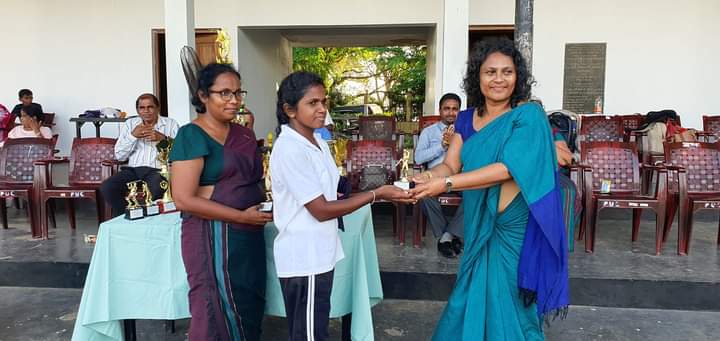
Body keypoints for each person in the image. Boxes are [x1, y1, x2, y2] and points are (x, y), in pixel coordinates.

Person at [411, 38, 569, 340]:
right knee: (467, 297)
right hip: (477, 222)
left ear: (518, 77)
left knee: (512, 303)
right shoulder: (466, 119)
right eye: (490, 72)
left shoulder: (528, 116)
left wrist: (445, 183)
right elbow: (450, 164)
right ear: (477, 76)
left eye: (507, 72)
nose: (498, 79)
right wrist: (429, 176)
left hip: (513, 228)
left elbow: (508, 169)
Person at [270, 71, 411, 341]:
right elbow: (321, 209)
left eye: (324, 101)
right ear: (289, 109)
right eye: (313, 103)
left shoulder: (318, 142)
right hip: (304, 258)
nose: (322, 109)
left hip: (321, 252)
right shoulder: (290, 149)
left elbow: (334, 192)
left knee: (317, 328)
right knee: (309, 335)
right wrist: (377, 194)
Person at [170, 63, 273, 341]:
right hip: (210, 236)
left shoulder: (245, 135)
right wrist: (239, 215)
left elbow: (251, 181)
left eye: (238, 93)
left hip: (248, 236)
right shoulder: (191, 135)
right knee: (213, 306)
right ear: (203, 96)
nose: (234, 100)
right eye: (224, 93)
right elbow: (183, 198)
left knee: (249, 302)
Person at [99, 93, 179, 217]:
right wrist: (133, 136)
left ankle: (150, 219)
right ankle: (128, 215)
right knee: (107, 187)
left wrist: (162, 139)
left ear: (157, 108)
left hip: (157, 171)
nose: (146, 111)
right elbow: (119, 156)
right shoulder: (130, 124)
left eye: (150, 107)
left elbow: (180, 153)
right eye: (142, 108)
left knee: (158, 186)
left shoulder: (171, 124)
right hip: (133, 170)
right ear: (137, 110)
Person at [414, 92, 464, 258]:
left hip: (461, 178)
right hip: (435, 177)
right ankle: (450, 236)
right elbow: (418, 158)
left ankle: (447, 236)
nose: (451, 112)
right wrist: (442, 145)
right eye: (447, 109)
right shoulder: (428, 132)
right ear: (440, 110)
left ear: (460, 111)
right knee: (423, 194)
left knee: (477, 193)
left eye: (455, 109)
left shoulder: (464, 131)